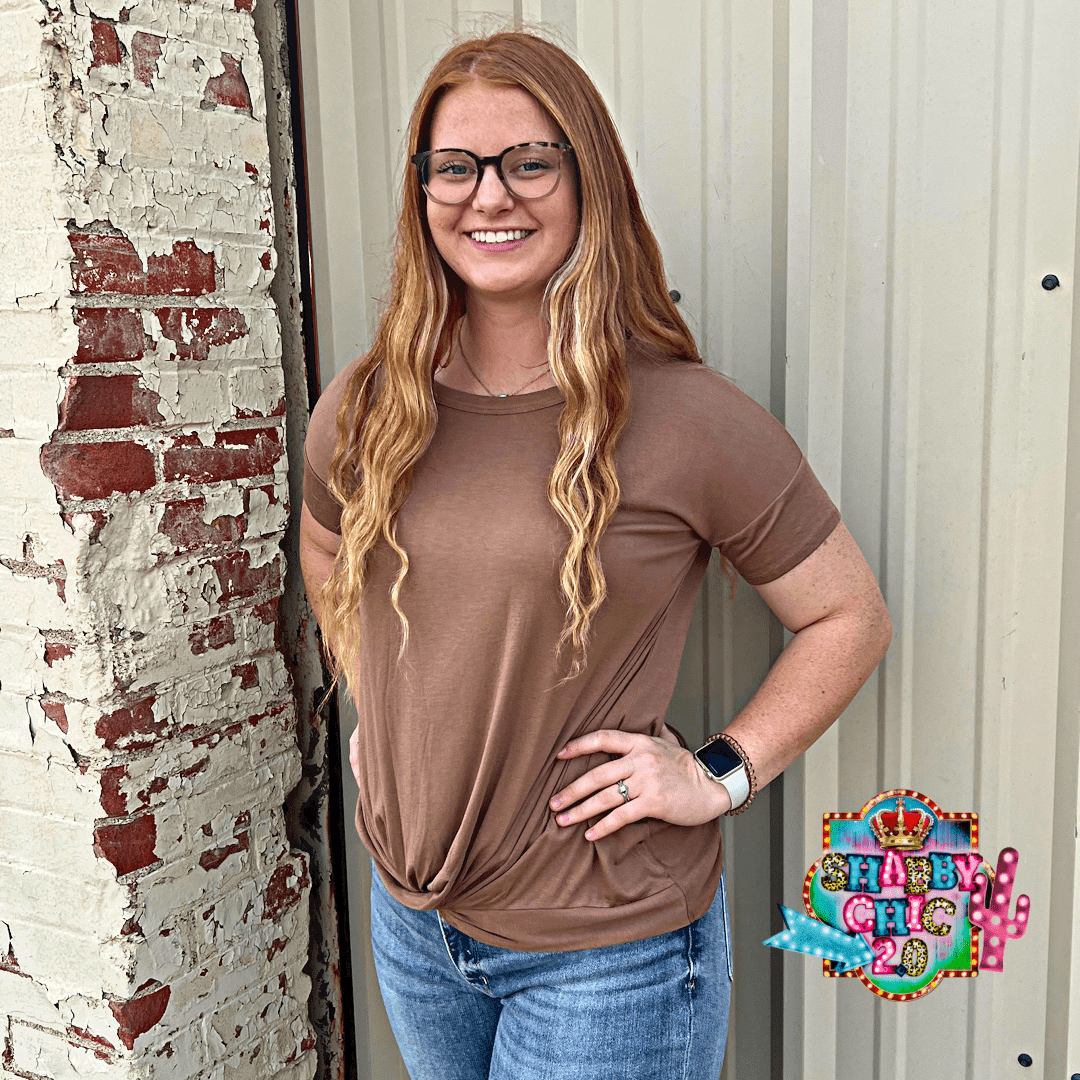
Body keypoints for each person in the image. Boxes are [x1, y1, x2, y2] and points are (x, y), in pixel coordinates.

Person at [299, 30, 891, 1080]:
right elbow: (326, 555)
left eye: (529, 162)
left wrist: (717, 774)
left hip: (609, 955)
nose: (490, 196)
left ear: (589, 183)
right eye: (455, 166)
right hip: (414, 921)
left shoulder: (683, 418)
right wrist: (378, 707)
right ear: (422, 190)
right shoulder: (368, 405)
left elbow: (848, 617)